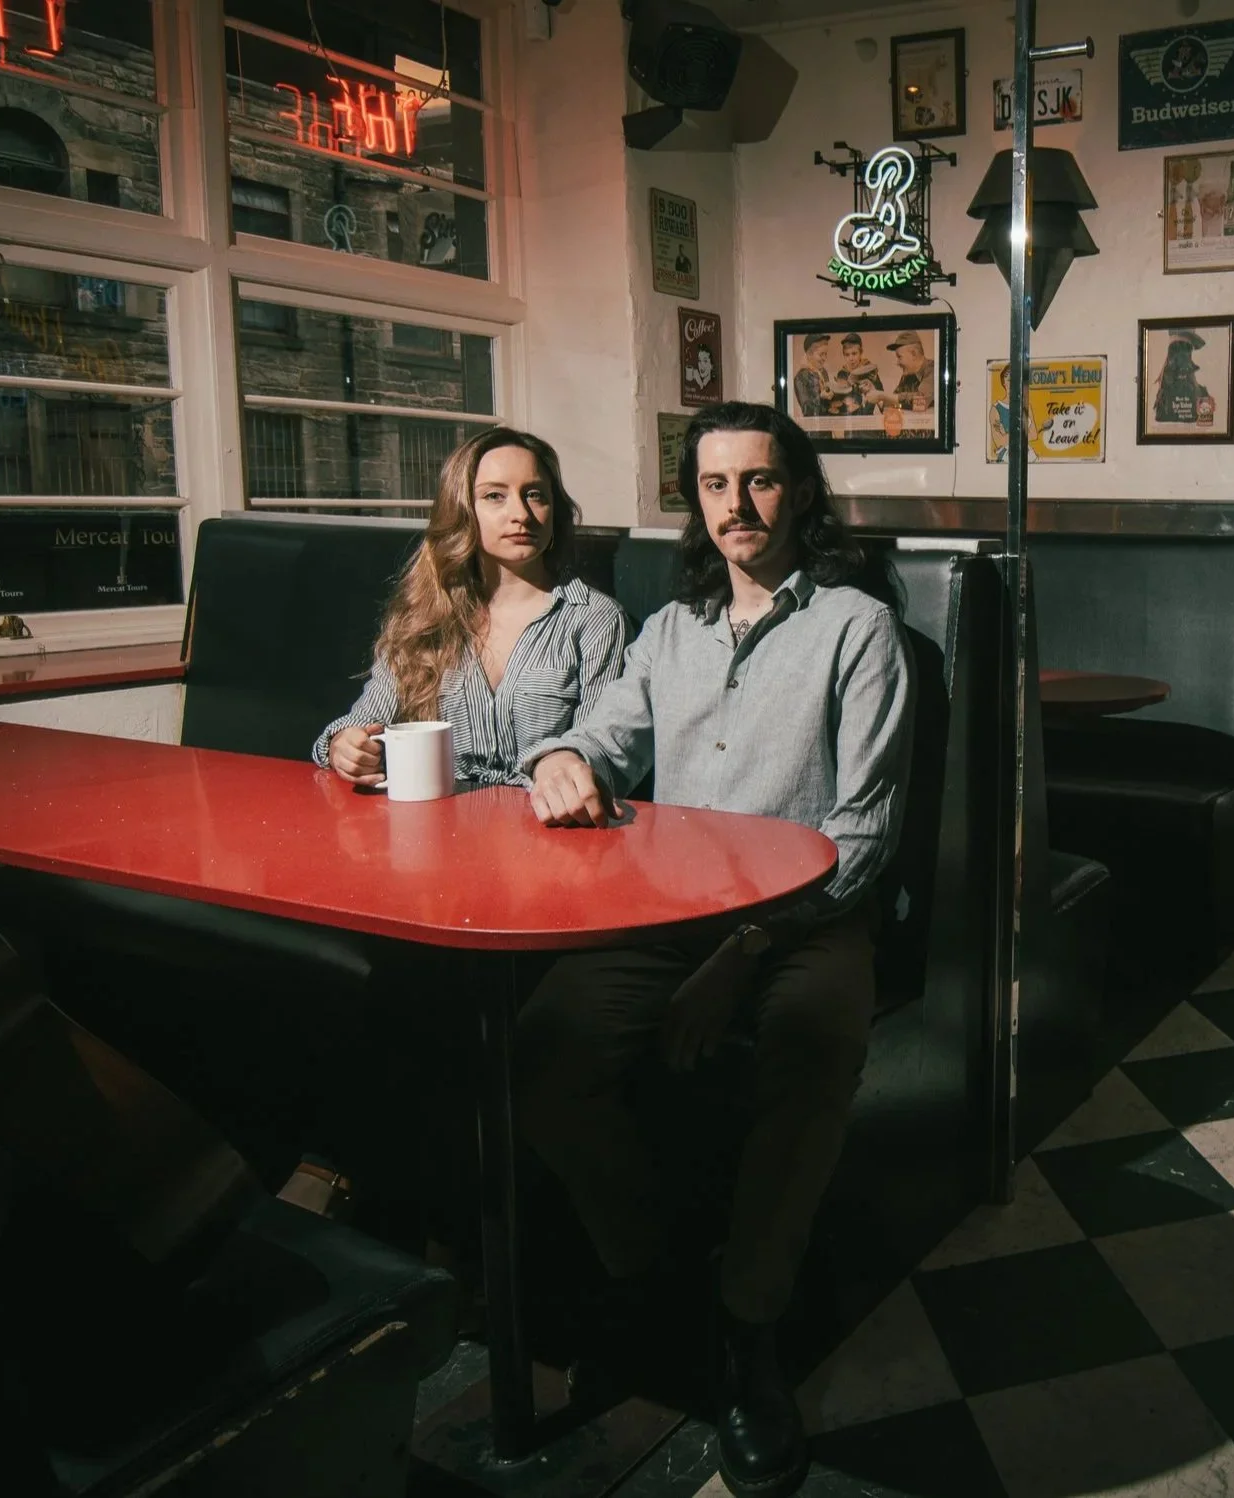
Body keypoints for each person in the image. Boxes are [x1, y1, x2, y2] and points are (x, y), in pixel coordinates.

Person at [515, 402, 913, 1498]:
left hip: (812, 918)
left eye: (761, 481)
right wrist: (561, 759)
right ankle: (650, 1276)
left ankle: (746, 1330)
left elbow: (864, 831)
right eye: (715, 484)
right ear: (695, 501)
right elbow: (605, 733)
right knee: (543, 1050)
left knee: (810, 1049)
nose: (738, 505)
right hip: (672, 912)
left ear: (801, 491)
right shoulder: (668, 630)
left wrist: (746, 947)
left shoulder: (857, 628)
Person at [316, 427, 629, 787]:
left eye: (535, 495)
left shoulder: (595, 620)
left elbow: (594, 753)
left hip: (543, 815)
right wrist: (345, 746)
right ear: (462, 508)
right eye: (495, 496)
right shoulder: (424, 614)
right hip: (436, 812)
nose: (521, 514)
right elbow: (364, 722)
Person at [882, 329, 934, 412]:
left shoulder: (934, 370)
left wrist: (883, 396)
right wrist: (876, 394)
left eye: (899, 357)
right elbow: (891, 402)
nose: (897, 363)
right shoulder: (907, 376)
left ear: (914, 354)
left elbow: (920, 403)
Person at [790, 331, 837, 418]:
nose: (824, 358)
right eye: (821, 354)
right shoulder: (801, 377)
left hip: (826, 423)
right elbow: (807, 409)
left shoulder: (823, 372)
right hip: (812, 425)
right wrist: (821, 397)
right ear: (809, 354)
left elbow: (827, 403)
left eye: (825, 354)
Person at [837, 332, 884, 413]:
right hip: (849, 418)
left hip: (867, 418)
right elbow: (840, 404)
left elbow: (882, 403)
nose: (851, 358)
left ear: (861, 353)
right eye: (847, 355)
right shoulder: (842, 374)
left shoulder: (871, 373)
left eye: (854, 353)